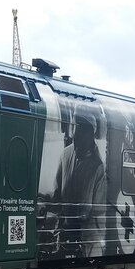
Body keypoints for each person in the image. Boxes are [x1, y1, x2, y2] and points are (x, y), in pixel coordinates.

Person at [49, 109, 106, 258]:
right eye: (76, 129)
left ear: (91, 134)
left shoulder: (98, 166)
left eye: (82, 130)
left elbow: (98, 211)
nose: (77, 135)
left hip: (86, 235)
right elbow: (57, 191)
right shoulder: (65, 154)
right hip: (64, 228)